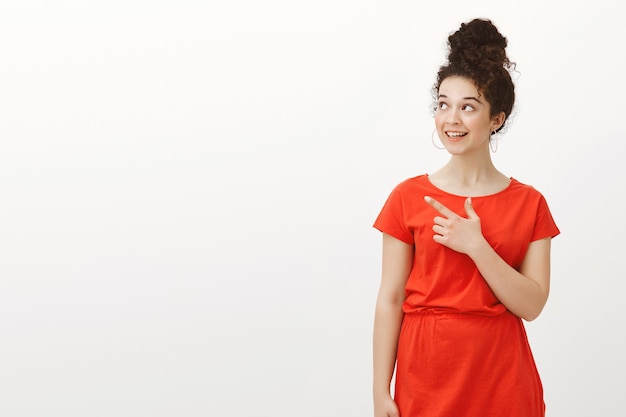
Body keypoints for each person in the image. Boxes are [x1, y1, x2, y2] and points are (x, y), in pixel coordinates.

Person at [372, 18, 560, 417]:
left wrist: (477, 247)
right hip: (426, 376)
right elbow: (390, 299)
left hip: (502, 379)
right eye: (443, 104)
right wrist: (379, 389)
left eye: (468, 107)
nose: (451, 119)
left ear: (497, 119)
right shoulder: (407, 197)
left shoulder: (531, 203)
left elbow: (532, 304)